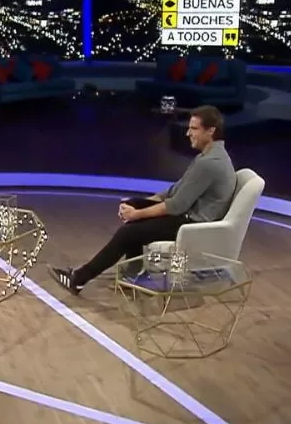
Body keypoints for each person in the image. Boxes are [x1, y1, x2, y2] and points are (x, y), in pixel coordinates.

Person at [50, 105, 236, 294]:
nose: (188, 133)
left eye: (194, 129)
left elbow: (177, 205)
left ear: (210, 131)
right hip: (186, 215)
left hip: (192, 225)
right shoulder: (209, 157)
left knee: (129, 232)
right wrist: (141, 203)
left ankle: (79, 279)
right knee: (133, 204)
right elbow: (174, 190)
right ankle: (134, 273)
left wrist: (137, 214)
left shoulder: (209, 164)